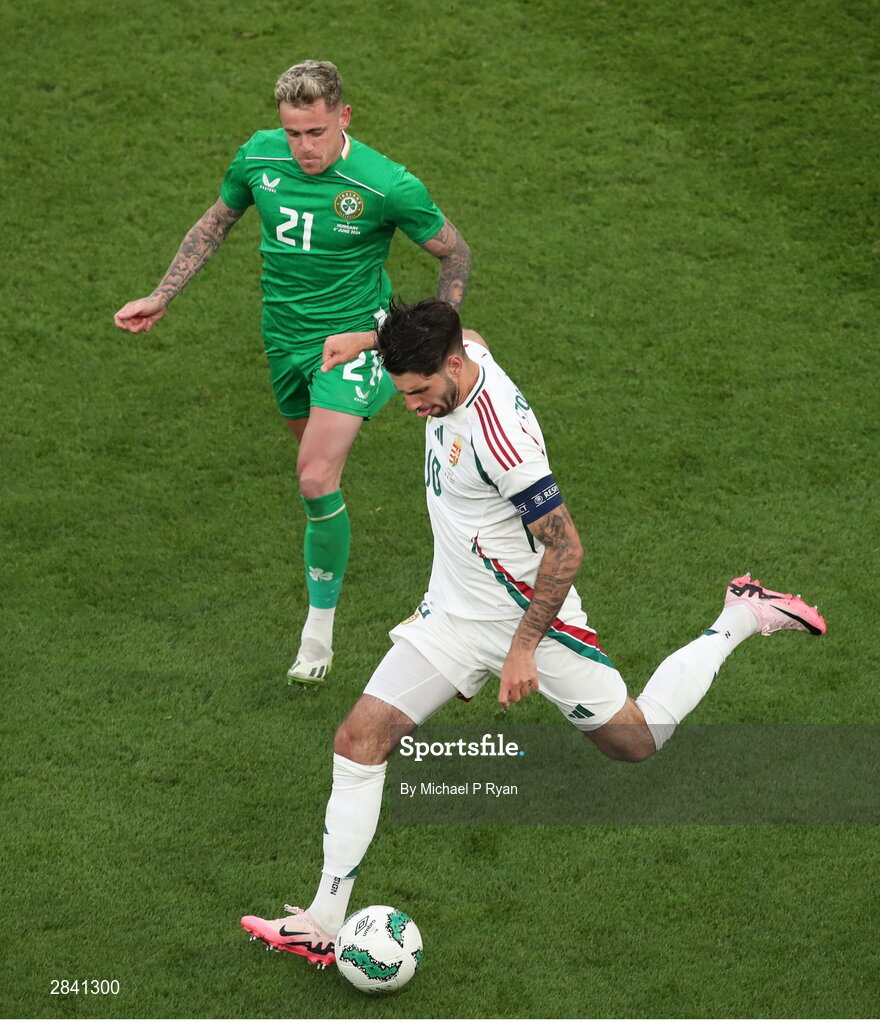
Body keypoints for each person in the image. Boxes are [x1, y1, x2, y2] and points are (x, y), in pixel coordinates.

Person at [240, 298, 827, 966]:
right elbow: (463, 330)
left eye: (422, 392)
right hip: (453, 615)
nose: (411, 406)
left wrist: (523, 647)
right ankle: (322, 920)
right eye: (403, 392)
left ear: (452, 365)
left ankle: (740, 614)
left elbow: (566, 548)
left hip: (531, 620)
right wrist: (365, 339)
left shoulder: (500, 442)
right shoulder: (464, 354)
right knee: (359, 737)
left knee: (634, 741)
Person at [114, 61, 471, 684]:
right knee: (313, 470)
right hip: (283, 341)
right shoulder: (258, 158)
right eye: (293, 133)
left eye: (316, 132)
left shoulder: (386, 184)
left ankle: (318, 639)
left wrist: (416, 341)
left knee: (313, 477)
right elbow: (216, 222)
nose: (303, 148)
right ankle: (335, 524)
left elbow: (455, 252)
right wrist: (161, 294)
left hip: (356, 342)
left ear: (344, 118)